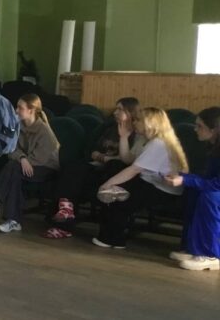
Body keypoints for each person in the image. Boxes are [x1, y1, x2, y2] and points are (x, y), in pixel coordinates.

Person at [44, 98, 145, 239]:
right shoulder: (109, 128)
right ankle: (65, 210)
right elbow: (93, 150)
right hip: (97, 165)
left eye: (120, 109)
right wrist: (100, 156)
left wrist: (107, 158)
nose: (115, 112)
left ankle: (66, 219)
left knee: (108, 168)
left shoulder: (138, 132)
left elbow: (129, 159)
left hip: (116, 171)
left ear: (130, 112)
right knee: (72, 167)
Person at [94, 107, 188, 249]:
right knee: (115, 179)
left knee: (117, 197)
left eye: (138, 120)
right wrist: (124, 137)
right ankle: (113, 237)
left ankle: (112, 239)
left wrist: (107, 184)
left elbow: (134, 169)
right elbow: (127, 159)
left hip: (163, 189)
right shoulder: (148, 140)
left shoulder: (158, 143)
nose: (134, 123)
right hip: (151, 182)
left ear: (149, 123)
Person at [0, 94, 59, 233]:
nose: (16, 110)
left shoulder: (44, 131)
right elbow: (11, 149)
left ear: (31, 111)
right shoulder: (19, 126)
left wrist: (22, 160)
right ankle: (13, 220)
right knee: (15, 172)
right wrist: (22, 158)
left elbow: (41, 158)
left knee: (14, 168)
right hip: (24, 164)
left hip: (46, 168)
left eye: (20, 108)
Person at [164, 107, 220, 270]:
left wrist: (185, 179)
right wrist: (183, 177)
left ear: (214, 130)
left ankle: (210, 254)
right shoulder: (214, 146)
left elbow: (217, 185)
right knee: (194, 191)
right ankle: (192, 248)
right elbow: (209, 178)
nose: (195, 129)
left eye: (200, 126)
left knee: (210, 197)